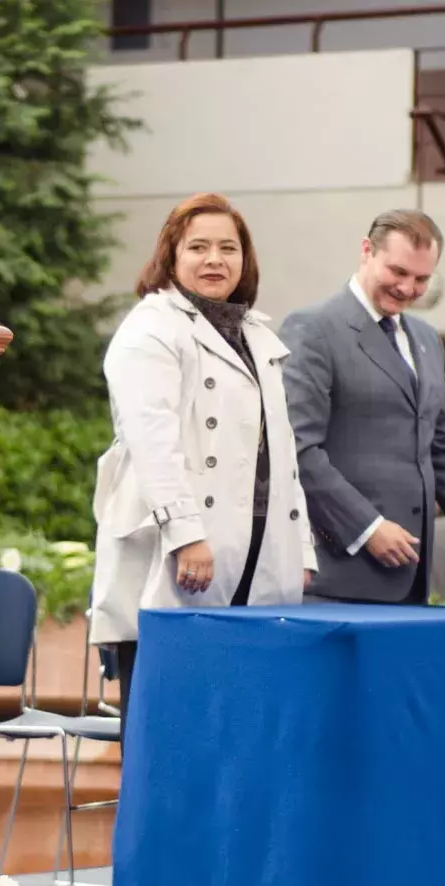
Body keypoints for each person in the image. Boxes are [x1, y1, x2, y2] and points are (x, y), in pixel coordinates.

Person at [89, 193, 316, 736]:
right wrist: (186, 533)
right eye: (199, 247)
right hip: (180, 554)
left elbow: (281, 453)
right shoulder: (150, 329)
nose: (215, 259)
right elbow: (153, 443)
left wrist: (299, 545)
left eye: (228, 248)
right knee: (169, 729)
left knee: (240, 726)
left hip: (255, 552)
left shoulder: (257, 335)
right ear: (171, 257)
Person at [280, 210, 445, 604]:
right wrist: (367, 528)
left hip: (410, 575)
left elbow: (442, 446)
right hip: (338, 573)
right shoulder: (312, 329)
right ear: (366, 251)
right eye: (397, 272)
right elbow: (298, 450)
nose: (407, 288)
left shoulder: (427, 339)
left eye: (421, 279)